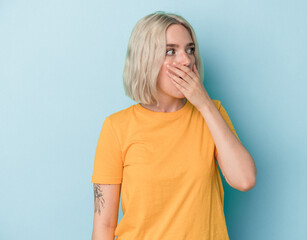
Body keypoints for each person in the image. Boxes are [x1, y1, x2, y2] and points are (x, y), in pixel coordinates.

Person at [91, 11, 257, 240]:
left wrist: (204, 104)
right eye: (171, 51)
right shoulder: (116, 128)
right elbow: (105, 225)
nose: (186, 60)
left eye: (190, 50)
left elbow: (245, 179)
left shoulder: (212, 114)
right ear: (146, 59)